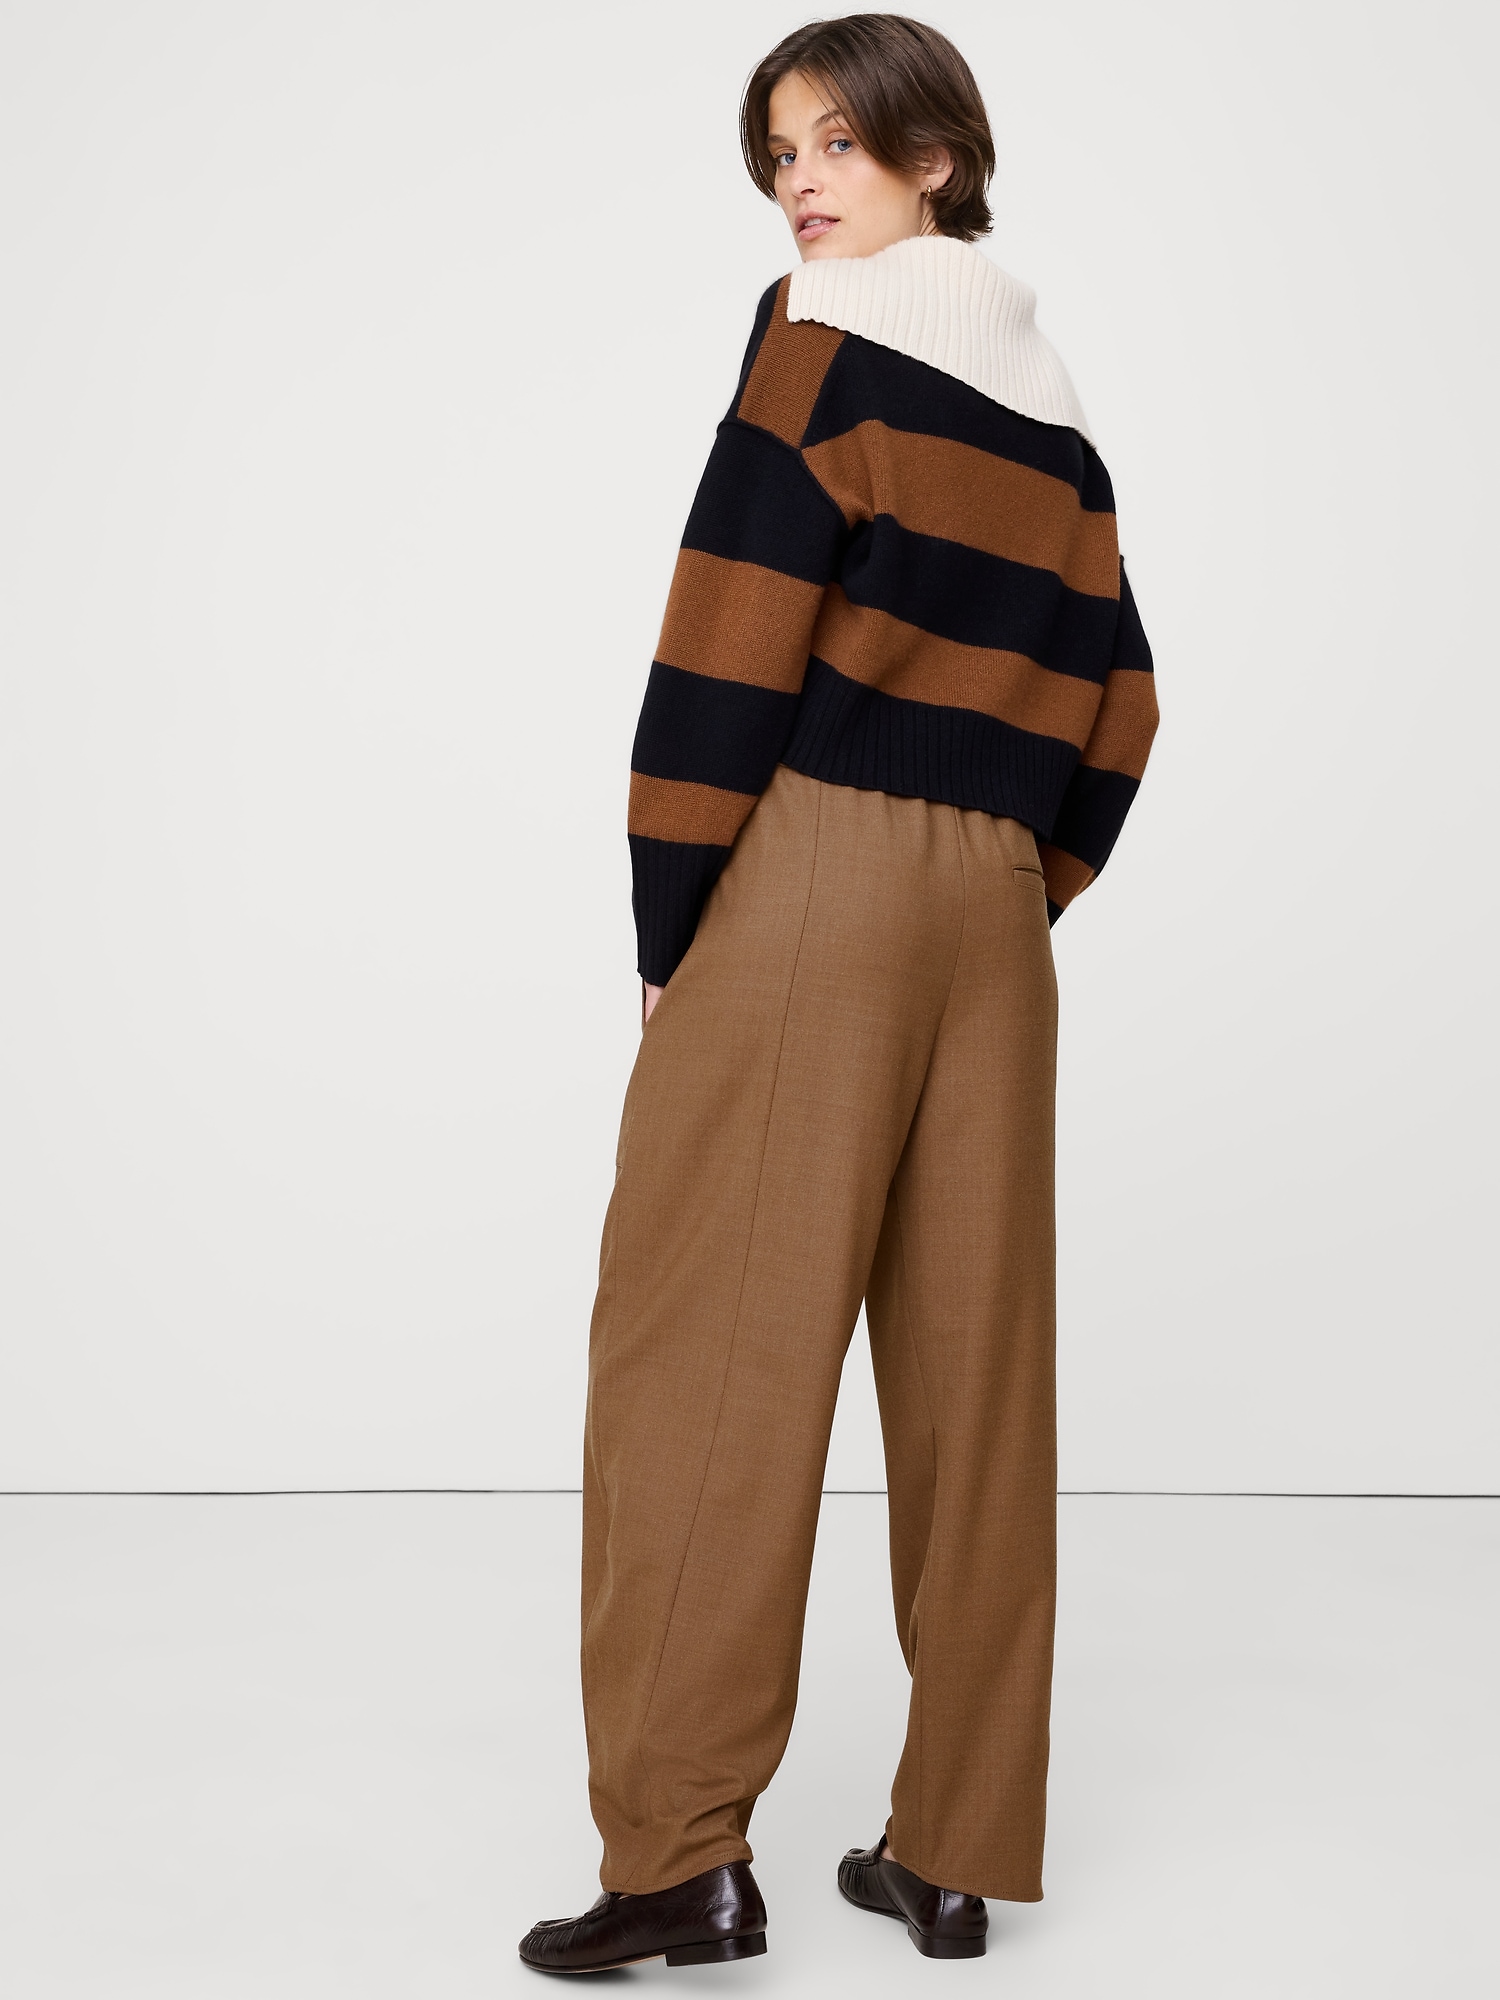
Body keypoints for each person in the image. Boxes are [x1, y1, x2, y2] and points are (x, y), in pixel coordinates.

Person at [520, 11, 1157, 1974]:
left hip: (812, 873)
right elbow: (1126, 702)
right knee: (979, 1379)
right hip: (993, 920)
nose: (801, 184)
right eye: (781, 153)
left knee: (707, 1348)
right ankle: (953, 1850)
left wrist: (674, 921)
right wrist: (1009, 879)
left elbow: (728, 637)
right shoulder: (1054, 410)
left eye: (837, 145)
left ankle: (678, 1858)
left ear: (933, 156)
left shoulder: (818, 337)